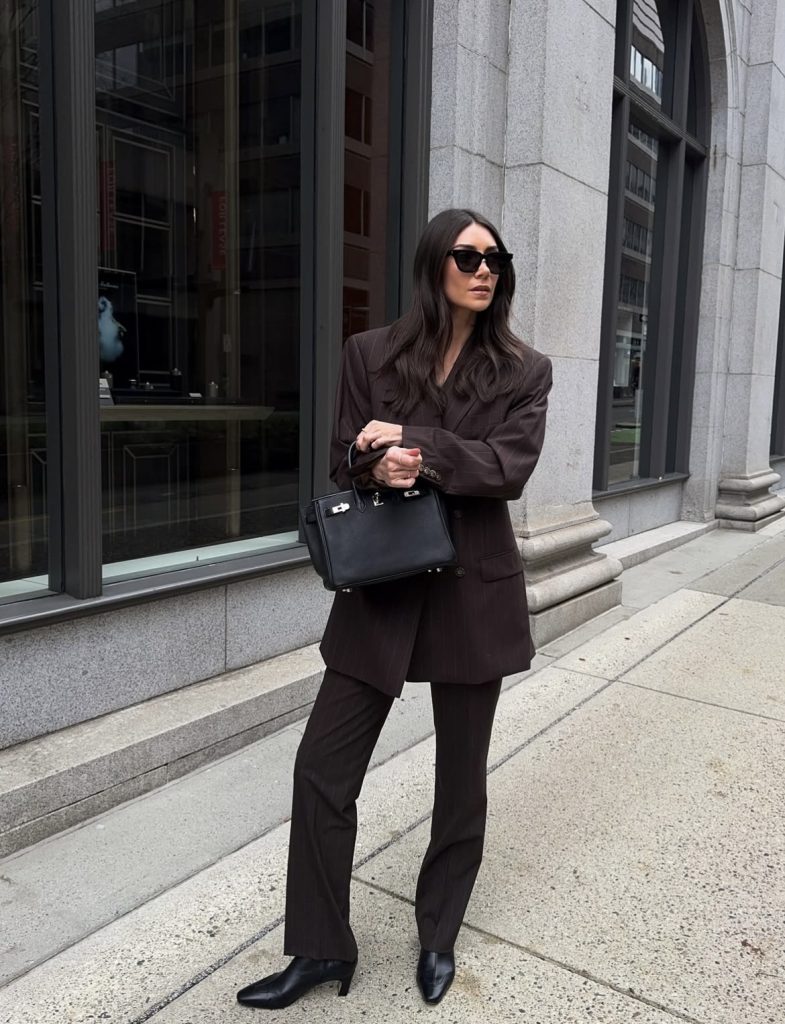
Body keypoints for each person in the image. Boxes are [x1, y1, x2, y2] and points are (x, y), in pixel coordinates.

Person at [236, 208, 553, 1010]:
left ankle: (437, 936)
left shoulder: (524, 368)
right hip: (382, 587)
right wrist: (374, 466)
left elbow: (505, 468)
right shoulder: (369, 352)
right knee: (321, 769)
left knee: (460, 782)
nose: (485, 270)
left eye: (495, 259)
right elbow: (345, 452)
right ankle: (319, 949)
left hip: (470, 591)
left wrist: (419, 443)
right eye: (467, 255)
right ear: (432, 264)